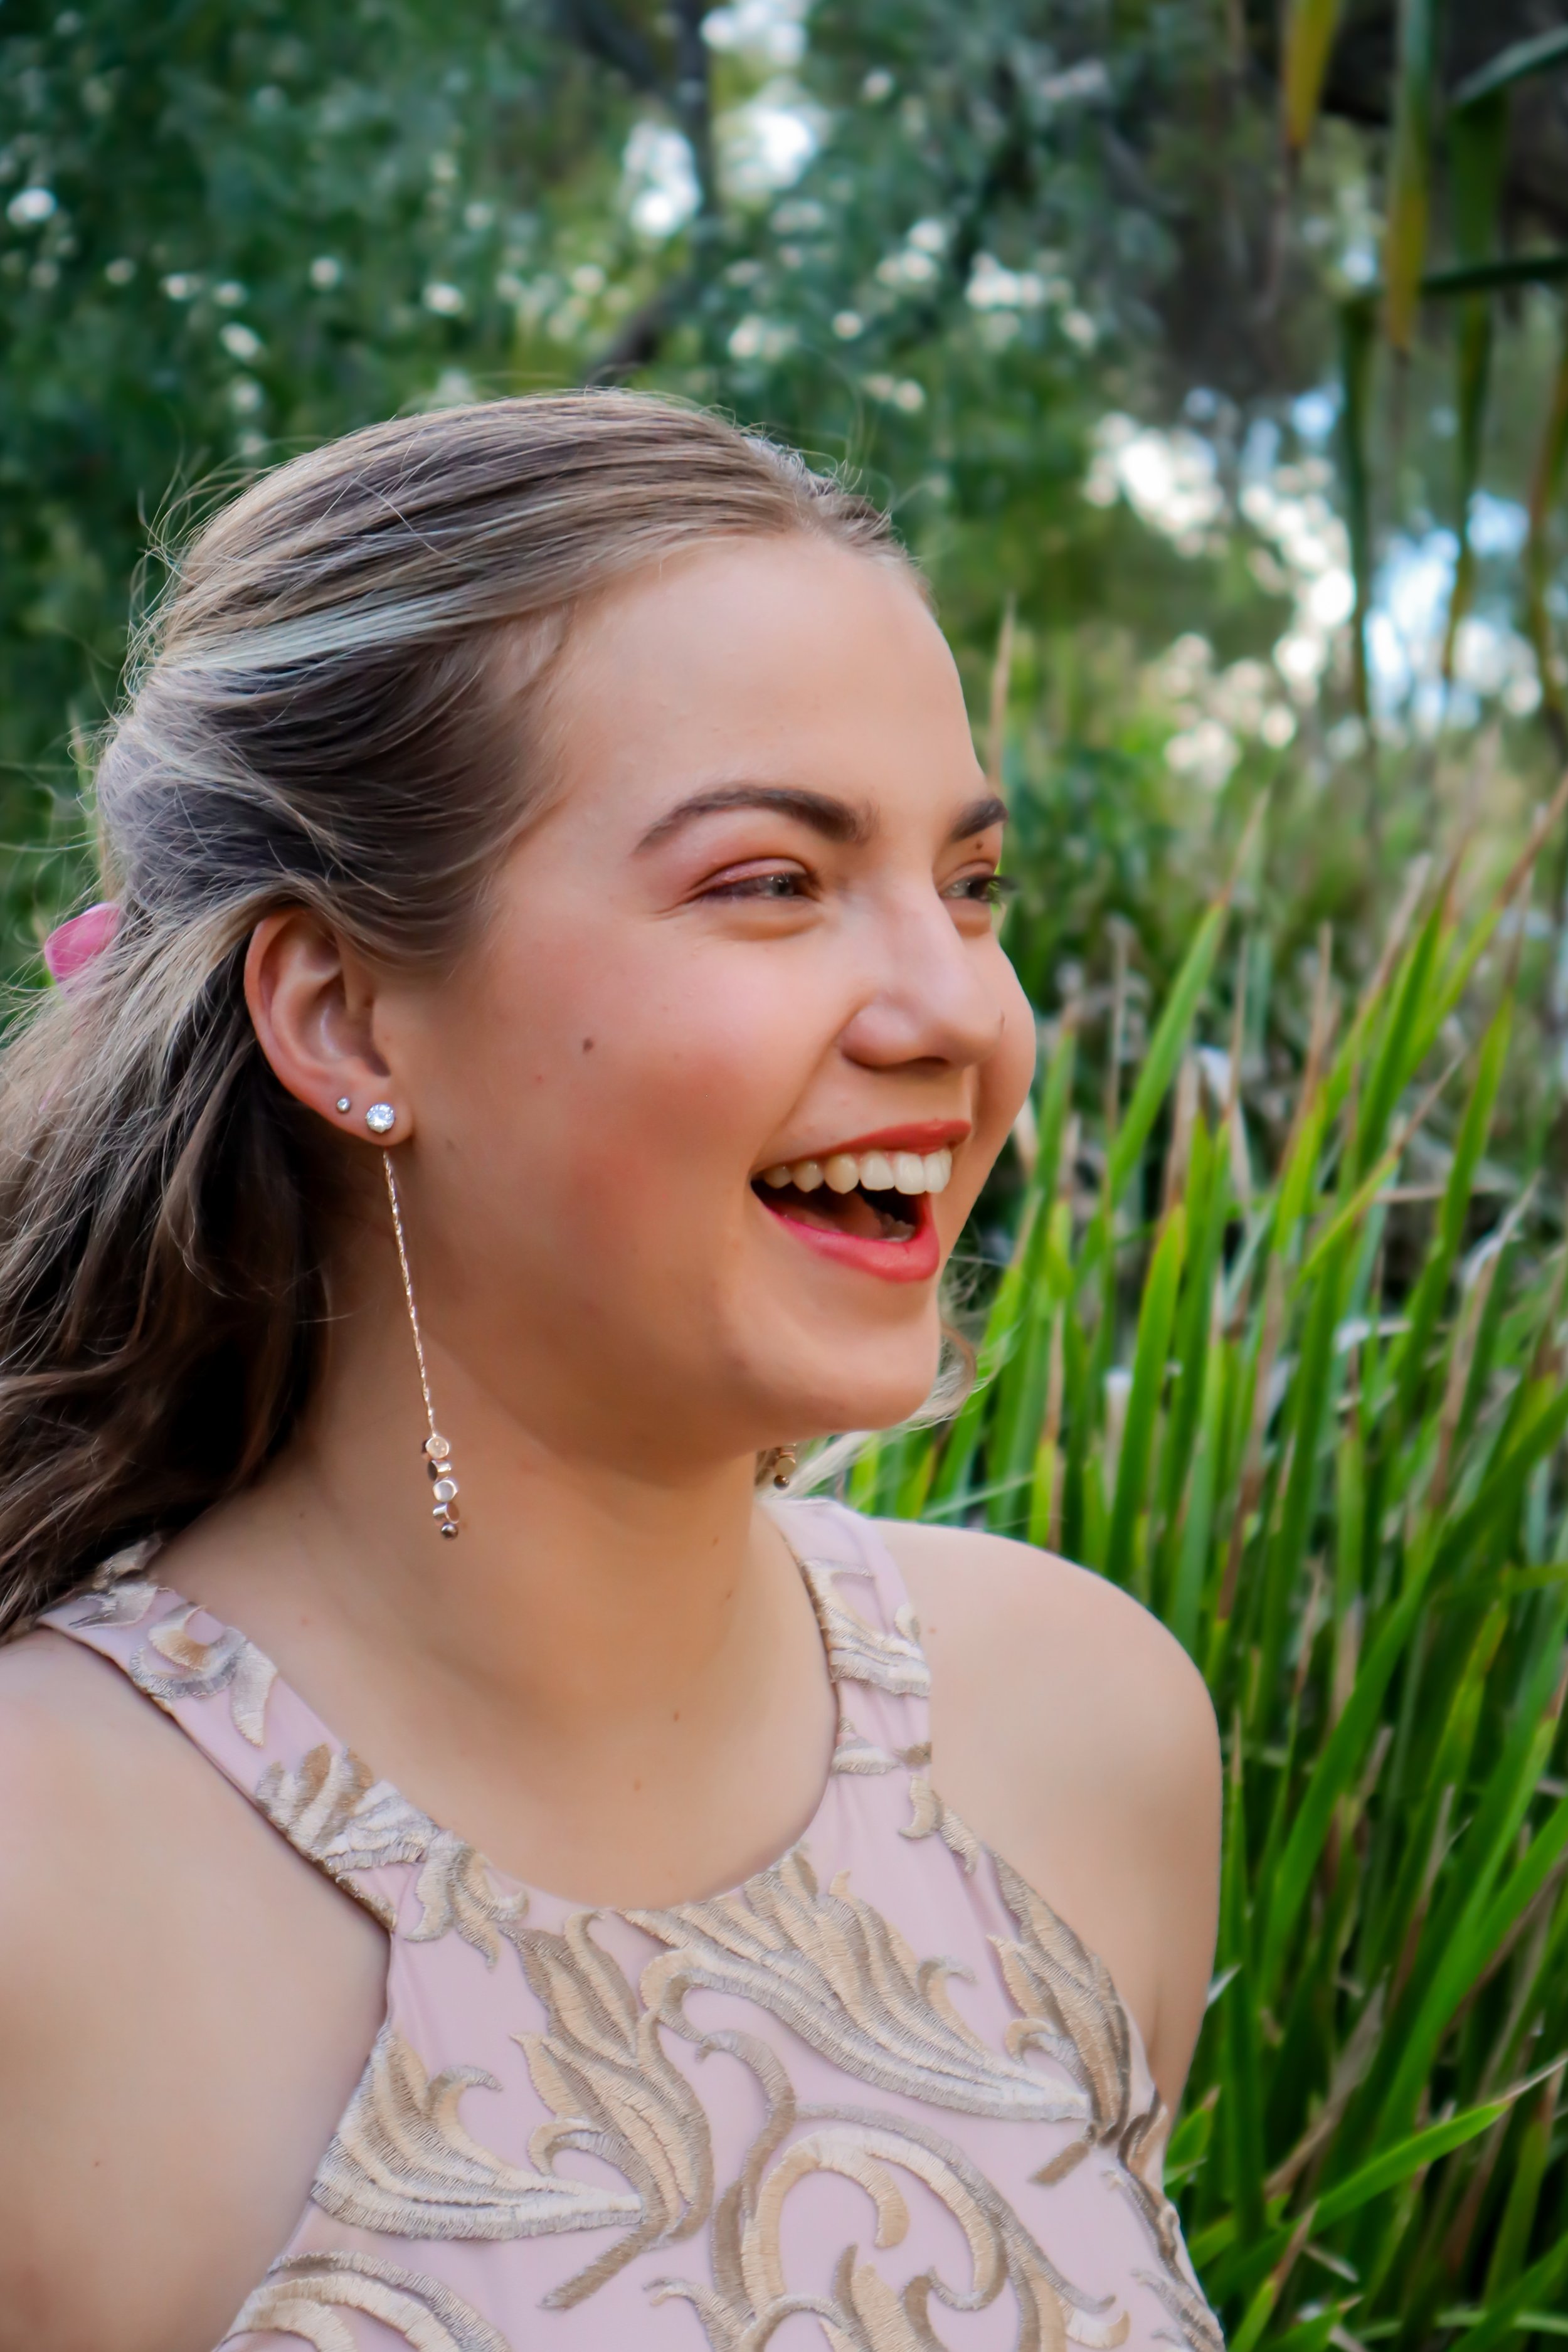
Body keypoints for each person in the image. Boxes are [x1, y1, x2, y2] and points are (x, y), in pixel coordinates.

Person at [0, 393, 1222, 2352]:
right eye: (771, 881)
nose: (957, 1012)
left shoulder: (1079, 1735)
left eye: (970, 885)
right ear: (343, 1014)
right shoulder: (43, 1898)